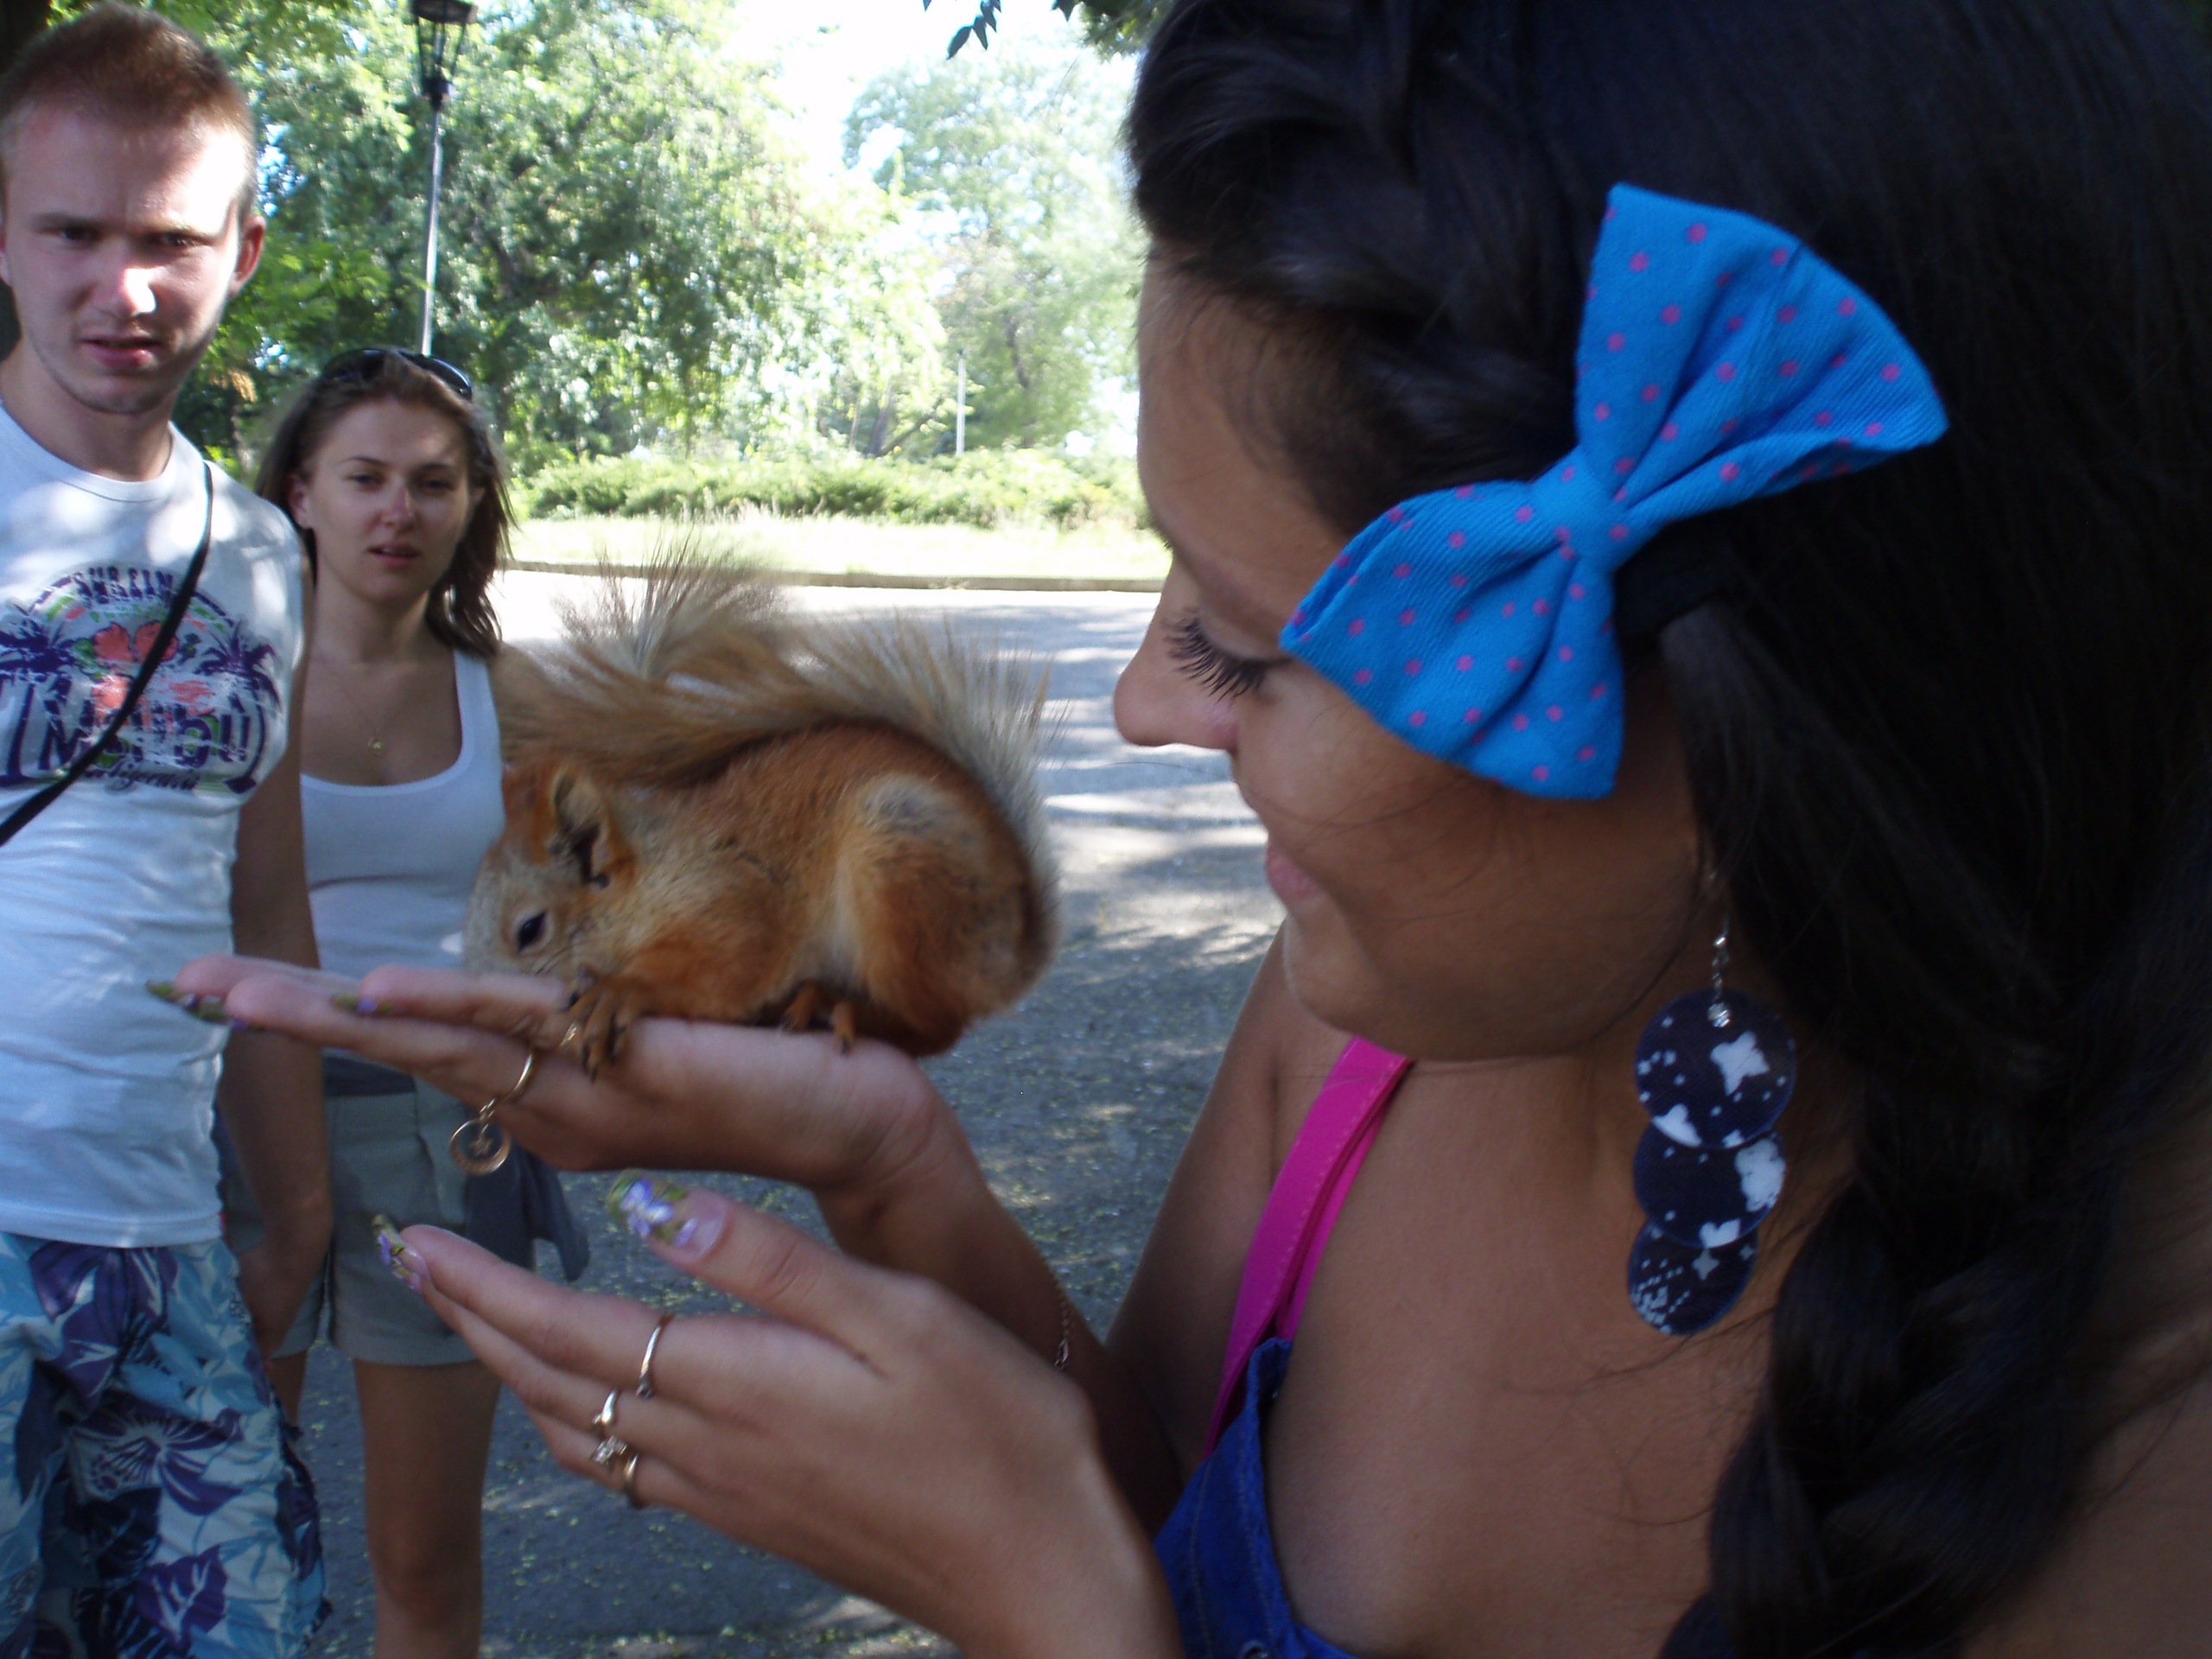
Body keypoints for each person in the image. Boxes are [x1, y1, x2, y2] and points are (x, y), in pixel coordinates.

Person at [179, 0, 2212, 1654]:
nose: (1136, 705)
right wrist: (893, 1173)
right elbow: (1160, 1492)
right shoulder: (1346, 1024)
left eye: (1238, 647)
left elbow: (1108, 1598)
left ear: (1743, 731)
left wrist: (1046, 1617)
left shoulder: (2141, 1439)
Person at [0, 6, 327, 1655]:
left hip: (170, 1248)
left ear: (242, 250)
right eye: (73, 232)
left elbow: (263, 905)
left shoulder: (264, 553)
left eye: (171, 243)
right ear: (2, 230)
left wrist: (299, 1215)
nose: (122, 288)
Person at [221, 346, 588, 1659]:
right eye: (365, 477)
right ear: (300, 494)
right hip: (234, 1123)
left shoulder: (514, 695)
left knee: (422, 1559)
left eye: (434, 483)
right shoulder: (223, 676)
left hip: (442, 1134)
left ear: (472, 505)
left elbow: (587, 916)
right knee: (220, 1539)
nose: (398, 511)